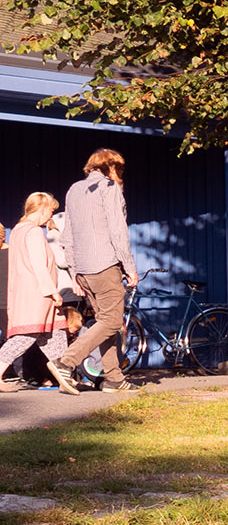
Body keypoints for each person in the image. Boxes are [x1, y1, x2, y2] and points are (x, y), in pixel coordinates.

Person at [52, 149, 137, 395]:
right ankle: (65, 362)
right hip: (105, 266)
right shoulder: (110, 188)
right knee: (112, 322)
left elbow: (67, 237)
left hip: (84, 270)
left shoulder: (74, 189)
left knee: (104, 324)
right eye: (120, 168)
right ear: (112, 167)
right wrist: (130, 267)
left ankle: (114, 379)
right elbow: (118, 232)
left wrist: (74, 272)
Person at [1, 193, 70, 391]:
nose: (51, 215)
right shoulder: (33, 231)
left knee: (55, 332)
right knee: (27, 335)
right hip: (38, 293)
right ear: (41, 208)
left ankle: (66, 377)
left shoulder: (17, 230)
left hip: (28, 291)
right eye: (50, 211)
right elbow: (38, 265)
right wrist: (53, 291)